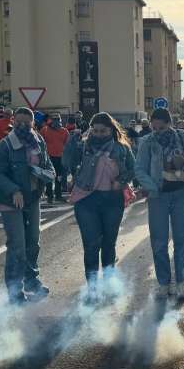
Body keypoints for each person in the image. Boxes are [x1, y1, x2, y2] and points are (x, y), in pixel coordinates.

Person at [63, 112, 135, 299]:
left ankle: (109, 285)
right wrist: (72, 142)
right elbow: (66, 163)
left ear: (111, 130)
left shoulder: (121, 148)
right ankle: (93, 289)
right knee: (91, 245)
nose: (99, 134)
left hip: (112, 200)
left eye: (103, 131)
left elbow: (133, 169)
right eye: (95, 131)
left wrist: (121, 180)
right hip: (86, 201)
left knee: (109, 244)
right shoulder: (82, 145)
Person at [0, 107, 55, 304]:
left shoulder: (39, 141)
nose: (22, 127)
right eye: (18, 123)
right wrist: (14, 190)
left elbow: (49, 169)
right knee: (17, 245)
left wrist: (39, 172)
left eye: (27, 124)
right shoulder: (5, 145)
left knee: (33, 242)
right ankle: (14, 291)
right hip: (10, 200)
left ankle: (31, 281)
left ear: (33, 124)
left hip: (33, 198)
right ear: (12, 121)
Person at [135, 108, 184, 300]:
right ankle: (163, 282)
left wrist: (182, 171)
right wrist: (152, 186)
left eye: (162, 127)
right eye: (154, 128)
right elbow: (139, 169)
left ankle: (182, 281)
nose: (158, 131)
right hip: (158, 196)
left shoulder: (182, 137)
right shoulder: (148, 142)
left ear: (170, 124)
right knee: (159, 241)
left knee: (181, 239)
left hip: (180, 193)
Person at [40, 112, 70, 204]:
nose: (57, 122)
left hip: (60, 157)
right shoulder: (45, 130)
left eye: (58, 120)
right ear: (51, 121)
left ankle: (58, 195)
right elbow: (41, 143)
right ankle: (49, 196)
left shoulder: (64, 131)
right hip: (49, 157)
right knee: (49, 176)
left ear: (60, 121)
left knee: (59, 177)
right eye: (55, 120)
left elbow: (67, 144)